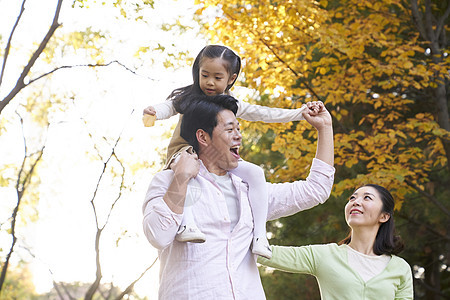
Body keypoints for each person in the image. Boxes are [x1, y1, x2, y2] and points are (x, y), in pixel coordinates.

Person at [142, 94, 334, 299]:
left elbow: (316, 190)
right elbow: (158, 236)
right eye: (229, 129)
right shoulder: (166, 181)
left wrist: (325, 128)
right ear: (203, 137)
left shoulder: (251, 191)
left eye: (239, 129)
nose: (239, 136)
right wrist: (181, 178)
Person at [143, 45, 308, 259]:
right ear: (197, 72)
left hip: (219, 159)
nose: (210, 82)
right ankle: (187, 224)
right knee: (190, 172)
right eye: (205, 75)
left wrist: (298, 114)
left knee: (256, 173)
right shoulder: (189, 97)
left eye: (217, 77)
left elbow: (263, 113)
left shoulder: (230, 104)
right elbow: (169, 106)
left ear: (231, 78)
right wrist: (155, 112)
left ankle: (259, 236)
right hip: (185, 151)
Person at [258, 184, 414, 299]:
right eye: (352, 198)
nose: (356, 201)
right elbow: (263, 253)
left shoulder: (400, 268)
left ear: (384, 216)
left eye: (367, 197)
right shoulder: (325, 255)